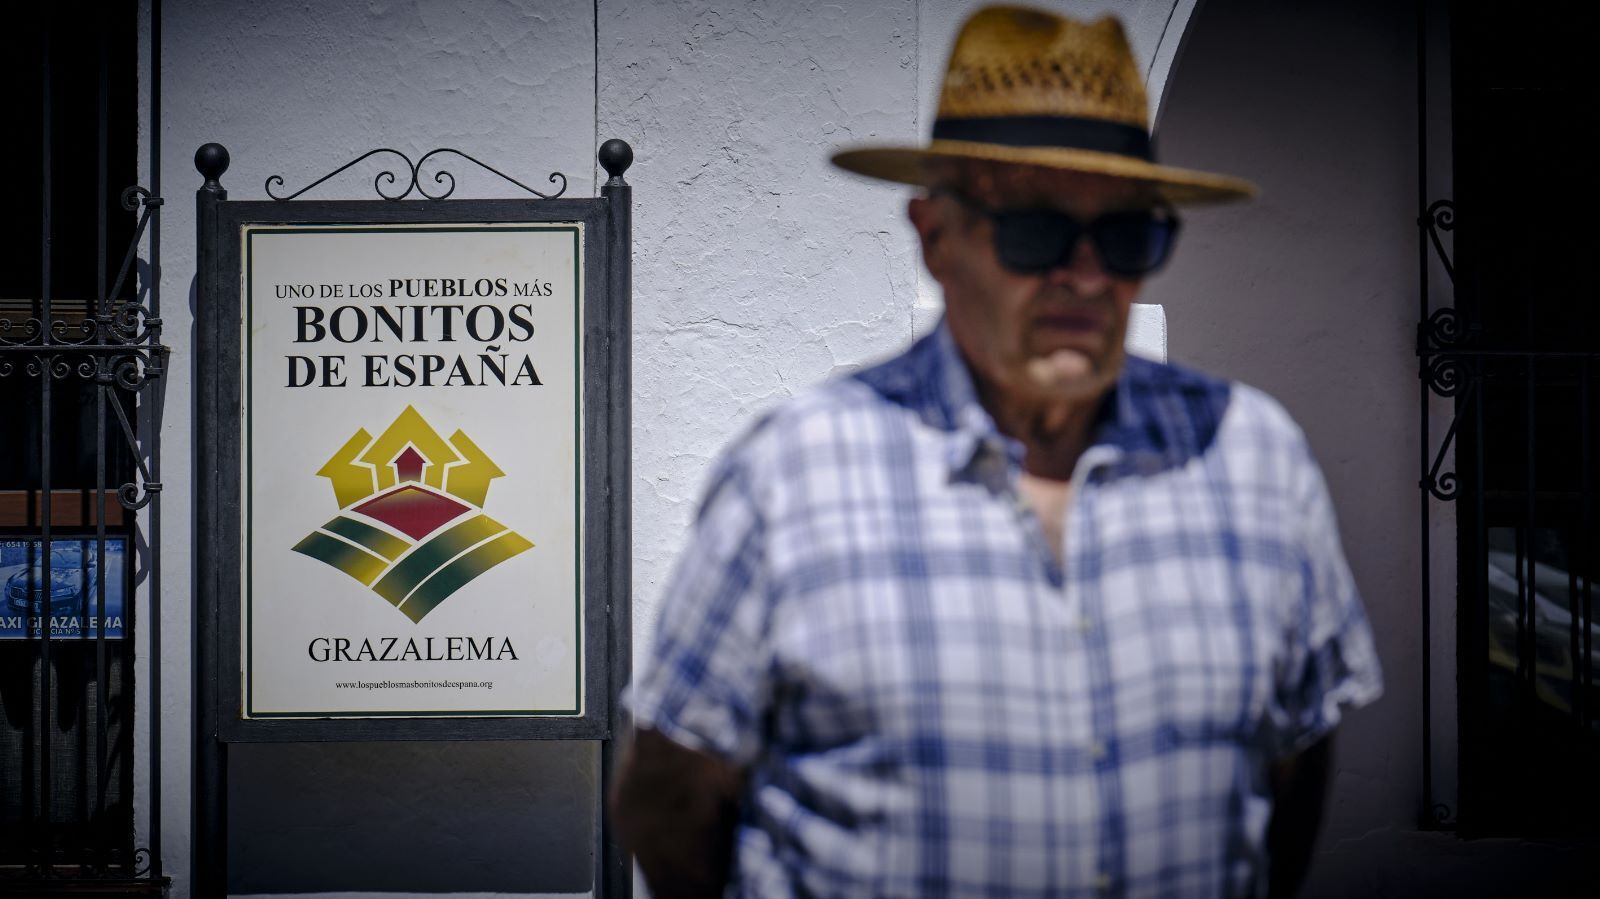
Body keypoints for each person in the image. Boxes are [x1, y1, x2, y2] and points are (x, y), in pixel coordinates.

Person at [613, 6, 1383, 897]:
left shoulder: (1254, 459)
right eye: (1036, 231)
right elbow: (668, 800)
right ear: (936, 238)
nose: (1087, 276)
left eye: (1128, 236)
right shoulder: (793, 473)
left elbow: (1293, 770)